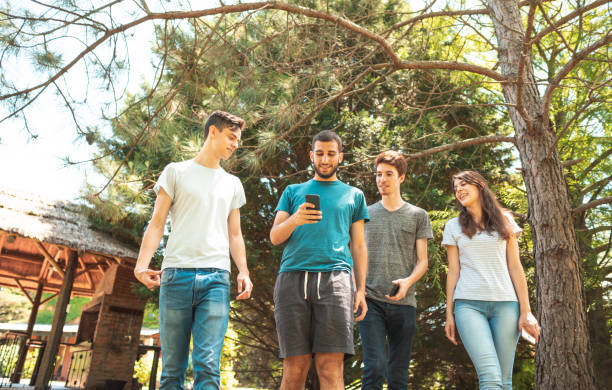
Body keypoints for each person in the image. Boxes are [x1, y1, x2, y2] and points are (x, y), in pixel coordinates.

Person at [133, 110, 254, 390]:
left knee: (209, 368)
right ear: (213, 132)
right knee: (172, 371)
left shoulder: (232, 184)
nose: (236, 144)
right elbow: (157, 224)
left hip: (216, 280)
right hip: (176, 277)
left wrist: (244, 271)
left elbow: (235, 234)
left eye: (238, 139)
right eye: (231, 137)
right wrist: (141, 265)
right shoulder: (175, 172)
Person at [269, 130, 369, 390]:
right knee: (294, 368)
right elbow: (275, 237)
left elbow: (358, 245)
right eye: (320, 154)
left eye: (331, 154)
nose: (325, 159)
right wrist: (296, 219)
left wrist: (361, 290)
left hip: (336, 281)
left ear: (340, 157)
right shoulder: (293, 192)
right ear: (311, 156)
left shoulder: (354, 195)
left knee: (330, 366)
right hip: (292, 279)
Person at [442, 171, 540, 390]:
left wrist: (526, 311)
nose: (459, 189)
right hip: (468, 305)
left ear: (480, 186)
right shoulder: (452, 226)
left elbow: (515, 267)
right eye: (456, 187)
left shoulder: (505, 221)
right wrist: (449, 314)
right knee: (491, 378)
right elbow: (453, 272)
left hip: (506, 305)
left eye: (464, 184)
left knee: (504, 382)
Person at [359, 151, 432, 389]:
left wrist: (408, 282)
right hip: (370, 302)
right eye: (378, 174)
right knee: (374, 366)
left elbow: (423, 261)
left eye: (388, 174)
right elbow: (354, 255)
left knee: (399, 374)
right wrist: (357, 290)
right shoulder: (364, 214)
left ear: (401, 177)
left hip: (404, 304)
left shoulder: (418, 215)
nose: (382, 179)